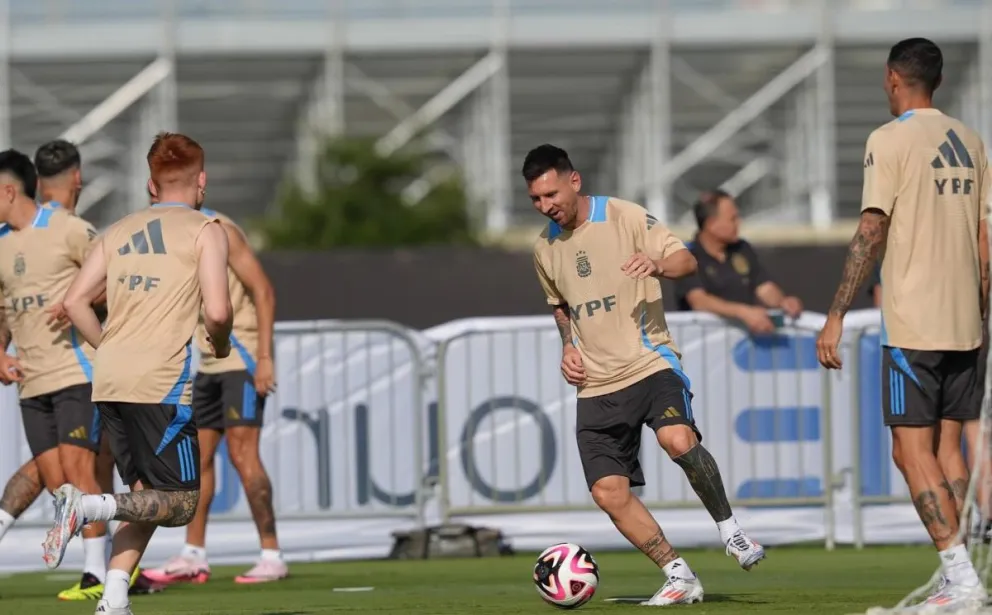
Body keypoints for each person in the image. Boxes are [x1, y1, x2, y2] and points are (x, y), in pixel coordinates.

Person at [525, 144, 765, 607]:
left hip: (649, 363)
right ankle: (678, 574)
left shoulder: (625, 216)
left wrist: (657, 264)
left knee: (677, 439)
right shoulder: (544, 247)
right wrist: (568, 346)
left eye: (551, 194)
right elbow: (560, 305)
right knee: (608, 492)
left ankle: (731, 532)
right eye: (535, 199)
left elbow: (687, 261)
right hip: (595, 384)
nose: (545, 205)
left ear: (574, 181)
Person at [816, 38, 989, 608]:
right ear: (937, 80)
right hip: (966, 321)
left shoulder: (888, 139)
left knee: (909, 453)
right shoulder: (971, 140)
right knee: (948, 451)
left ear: (893, 77)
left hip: (915, 321)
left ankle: (962, 579)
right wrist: (982, 312)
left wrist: (836, 315)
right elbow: (984, 240)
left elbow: (872, 229)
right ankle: (963, 573)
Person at [41, 132, 233, 615]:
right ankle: (88, 507)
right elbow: (218, 311)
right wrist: (223, 343)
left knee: (144, 495)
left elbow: (76, 302)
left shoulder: (120, 229)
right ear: (202, 181)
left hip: (109, 378)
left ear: (151, 185)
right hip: (160, 381)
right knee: (181, 503)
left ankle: (113, 598)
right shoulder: (206, 229)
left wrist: (108, 347)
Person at [144, 207, 283, 585]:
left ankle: (272, 555)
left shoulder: (220, 229)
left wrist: (265, 358)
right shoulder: (170, 235)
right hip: (207, 363)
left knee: (242, 455)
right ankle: (194, 554)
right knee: (198, 459)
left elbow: (263, 290)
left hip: (242, 358)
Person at [0, 148, 110, 594]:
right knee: (56, 482)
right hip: (31, 381)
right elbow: (3, 310)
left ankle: (97, 573)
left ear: (9, 190)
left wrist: (79, 302)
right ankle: (108, 561)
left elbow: (115, 277)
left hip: (76, 372)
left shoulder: (68, 228)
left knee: (79, 470)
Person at [674, 189, 803, 333]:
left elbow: (764, 287)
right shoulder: (686, 256)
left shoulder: (742, 249)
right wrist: (743, 312)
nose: (739, 223)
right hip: (704, 340)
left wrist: (782, 302)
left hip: (743, 341)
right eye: (732, 219)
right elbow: (699, 301)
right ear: (712, 224)